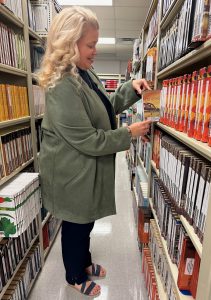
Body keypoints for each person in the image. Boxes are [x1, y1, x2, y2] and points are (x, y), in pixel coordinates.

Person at [38, 6, 151, 297]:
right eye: (90, 44)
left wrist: (131, 89)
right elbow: (89, 139)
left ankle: (84, 262)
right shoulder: (62, 85)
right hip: (72, 173)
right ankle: (74, 275)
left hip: (84, 170)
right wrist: (128, 133)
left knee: (86, 221)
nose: (95, 50)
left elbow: (103, 108)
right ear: (69, 44)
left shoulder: (83, 74)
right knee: (76, 225)